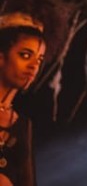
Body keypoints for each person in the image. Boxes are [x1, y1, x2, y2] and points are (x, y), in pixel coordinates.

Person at [0, 13, 47, 186]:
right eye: (25, 55)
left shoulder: (22, 125)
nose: (34, 66)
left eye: (39, 59)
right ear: (1, 57)